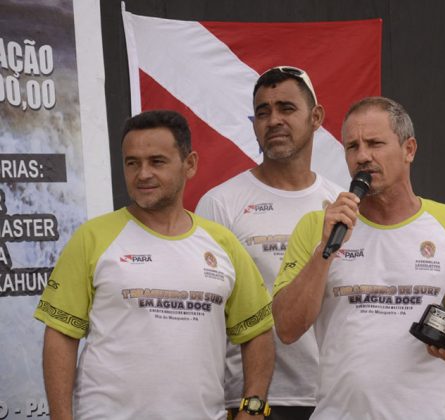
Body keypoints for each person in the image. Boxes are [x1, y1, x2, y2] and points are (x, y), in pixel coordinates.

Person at [272, 97, 445, 419]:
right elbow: (287, 329)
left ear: (409, 149)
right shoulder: (318, 225)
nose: (362, 156)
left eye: (375, 143)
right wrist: (324, 251)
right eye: (352, 146)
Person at [34, 110, 274, 420]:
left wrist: (252, 409)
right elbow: (61, 336)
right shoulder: (92, 238)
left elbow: (257, 333)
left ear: (189, 164)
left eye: (156, 162)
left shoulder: (223, 243)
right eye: (132, 163)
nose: (143, 174)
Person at [196, 66, 343, 420]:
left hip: (331, 397)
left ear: (316, 117)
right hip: (248, 403)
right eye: (263, 112)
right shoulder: (220, 203)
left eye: (286, 108)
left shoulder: (341, 204)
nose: (274, 120)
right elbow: (204, 317)